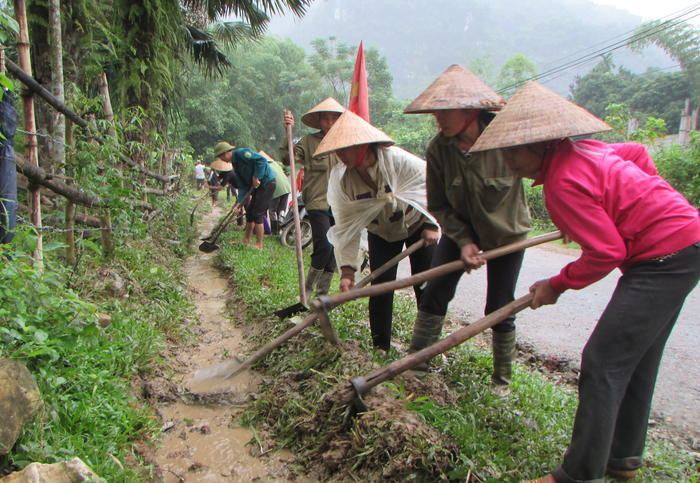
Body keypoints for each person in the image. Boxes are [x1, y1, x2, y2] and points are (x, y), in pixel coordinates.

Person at [469, 80, 700, 483]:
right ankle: (621, 460)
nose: (507, 161)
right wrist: (637, 201)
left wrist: (556, 284)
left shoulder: (561, 185)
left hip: (663, 259)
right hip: (686, 242)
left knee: (603, 362)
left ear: (542, 144)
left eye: (513, 150)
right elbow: (638, 154)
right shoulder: (585, 149)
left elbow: (606, 253)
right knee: (637, 358)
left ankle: (578, 475)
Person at [402, 65, 531, 383]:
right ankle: (416, 366)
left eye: (446, 112)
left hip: (507, 234)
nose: (439, 119)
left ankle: (502, 380)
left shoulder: (507, 138)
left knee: (499, 308)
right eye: (435, 113)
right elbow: (440, 205)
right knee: (435, 293)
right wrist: (464, 240)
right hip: (462, 232)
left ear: (471, 111)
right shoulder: (438, 150)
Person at [314, 110, 439, 352]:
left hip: (416, 225)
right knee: (380, 288)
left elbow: (433, 186)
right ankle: (380, 347)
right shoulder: (344, 180)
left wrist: (431, 224)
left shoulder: (398, 161)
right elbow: (346, 227)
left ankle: (427, 349)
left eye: (345, 149)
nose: (340, 156)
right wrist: (348, 271)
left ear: (362, 145)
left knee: (425, 286)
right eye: (336, 151)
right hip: (382, 232)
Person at [281, 98, 345, 297]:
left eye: (334, 119)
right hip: (318, 201)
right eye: (326, 119)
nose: (330, 123)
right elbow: (287, 158)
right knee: (324, 246)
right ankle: (307, 291)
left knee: (335, 249)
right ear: (319, 120)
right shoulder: (309, 142)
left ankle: (322, 295)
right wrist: (287, 131)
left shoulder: (345, 140)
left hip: (342, 204)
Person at [214, 141, 276, 250]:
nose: (221, 159)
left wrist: (257, 176)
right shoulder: (235, 165)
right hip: (255, 186)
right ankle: (246, 240)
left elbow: (261, 160)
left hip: (266, 183)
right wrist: (238, 204)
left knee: (257, 213)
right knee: (250, 213)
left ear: (226, 153)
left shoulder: (242, 153)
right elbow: (243, 187)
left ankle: (259, 244)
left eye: (220, 156)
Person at [259, 151, 291, 235]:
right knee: (281, 210)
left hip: (276, 188)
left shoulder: (263, 166)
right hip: (286, 187)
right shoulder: (276, 163)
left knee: (272, 210)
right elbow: (288, 169)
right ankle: (282, 229)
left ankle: (274, 231)